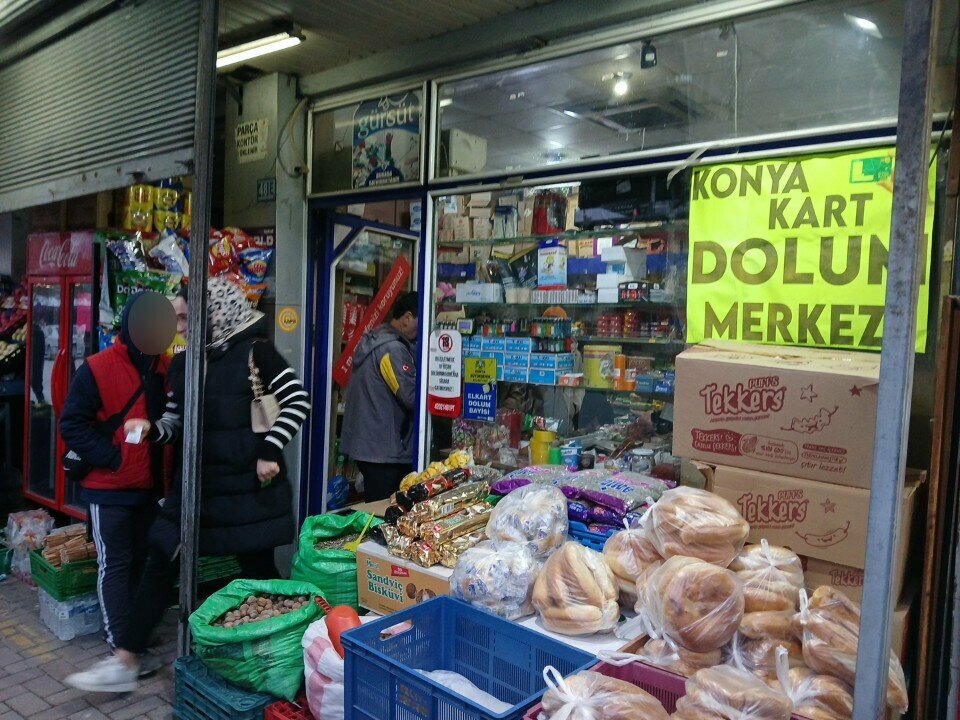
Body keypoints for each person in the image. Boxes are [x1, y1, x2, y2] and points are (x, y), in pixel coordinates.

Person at [65, 277, 310, 693]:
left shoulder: (258, 353)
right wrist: (152, 429)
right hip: (195, 489)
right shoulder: (183, 364)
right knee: (160, 558)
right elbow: (176, 423)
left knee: (259, 573)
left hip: (247, 492)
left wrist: (270, 449)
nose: (177, 327)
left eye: (183, 317)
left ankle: (289, 652)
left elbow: (297, 400)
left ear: (211, 314)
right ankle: (125, 659)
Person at [59, 291, 175, 692]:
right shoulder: (96, 367)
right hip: (107, 488)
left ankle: (134, 637)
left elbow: (166, 427)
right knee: (116, 565)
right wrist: (111, 458)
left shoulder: (166, 368)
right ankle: (120, 646)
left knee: (143, 563)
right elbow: (71, 425)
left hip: (147, 489)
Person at [341, 291, 419, 501]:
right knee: (383, 515)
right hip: (383, 452)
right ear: (408, 317)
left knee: (375, 509)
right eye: (420, 323)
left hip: (369, 446)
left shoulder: (376, 339)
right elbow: (410, 396)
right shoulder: (392, 349)